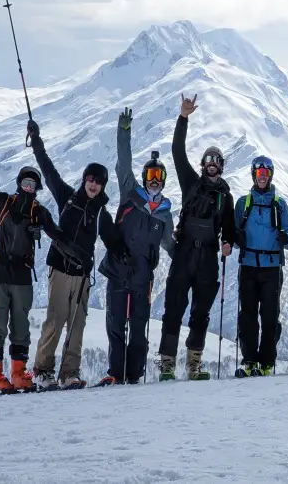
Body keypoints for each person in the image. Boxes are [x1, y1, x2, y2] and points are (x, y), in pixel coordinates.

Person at [27, 119, 119, 390]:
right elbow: (48, 170)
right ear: (84, 179)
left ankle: (70, 373)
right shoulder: (67, 197)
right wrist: (36, 141)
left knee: (77, 324)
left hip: (82, 275)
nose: (93, 185)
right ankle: (43, 370)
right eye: (91, 179)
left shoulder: (102, 212)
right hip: (60, 267)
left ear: (103, 186)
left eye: (99, 182)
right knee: (55, 320)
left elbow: (113, 239)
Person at [0, 167, 79, 394]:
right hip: (0, 274)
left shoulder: (39, 212)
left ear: (37, 189)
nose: (29, 188)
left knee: (21, 326)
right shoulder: (2, 202)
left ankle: (18, 375)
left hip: (22, 276)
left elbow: (57, 235)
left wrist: (76, 253)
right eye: (26, 183)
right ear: (19, 183)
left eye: (33, 185)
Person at [157, 94, 235, 381]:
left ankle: (194, 364)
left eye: (216, 160)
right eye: (208, 160)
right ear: (203, 164)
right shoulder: (191, 182)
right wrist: (183, 117)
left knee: (201, 312)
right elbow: (177, 151)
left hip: (208, 258)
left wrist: (229, 242)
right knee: (174, 308)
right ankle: (166, 363)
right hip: (184, 252)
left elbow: (230, 228)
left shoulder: (226, 196)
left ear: (222, 166)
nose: (212, 163)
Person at [96, 107, 175, 386]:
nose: (154, 181)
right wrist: (124, 132)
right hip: (119, 270)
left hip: (143, 277)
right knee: (116, 325)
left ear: (164, 181)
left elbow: (170, 245)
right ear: (144, 178)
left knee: (139, 327)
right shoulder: (131, 194)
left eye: (159, 176)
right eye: (151, 175)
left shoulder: (165, 213)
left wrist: (189, 260)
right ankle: (116, 373)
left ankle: (134, 374)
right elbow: (123, 163)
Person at [235, 155, 288, 376]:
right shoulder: (243, 203)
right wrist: (236, 238)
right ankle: (250, 360)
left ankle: (267, 362)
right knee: (248, 315)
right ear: (254, 175)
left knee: (270, 315)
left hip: (271, 267)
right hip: (249, 265)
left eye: (266, 174)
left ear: (270, 176)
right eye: (259, 174)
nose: (262, 177)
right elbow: (233, 231)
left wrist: (285, 238)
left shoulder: (279, 204)